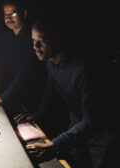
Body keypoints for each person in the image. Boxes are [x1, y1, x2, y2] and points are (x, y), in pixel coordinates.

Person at [20, 16, 119, 168]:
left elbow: (93, 121)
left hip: (105, 133)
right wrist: (40, 113)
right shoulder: (49, 59)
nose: (35, 46)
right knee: (70, 162)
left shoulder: (85, 70)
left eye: (42, 40)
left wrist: (54, 145)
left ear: (60, 39)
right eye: (33, 40)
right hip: (78, 121)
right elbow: (51, 84)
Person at [0, 0, 46, 119]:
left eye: (13, 14)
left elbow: (26, 72)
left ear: (24, 14)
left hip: (34, 99)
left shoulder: (32, 38)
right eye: (6, 15)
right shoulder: (6, 37)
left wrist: (4, 98)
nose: (9, 18)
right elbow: (1, 68)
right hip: (14, 97)